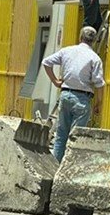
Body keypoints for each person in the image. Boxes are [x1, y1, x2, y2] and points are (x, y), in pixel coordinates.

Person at [42, 26, 105, 162]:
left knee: (61, 135)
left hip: (65, 95)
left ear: (80, 37)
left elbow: (46, 62)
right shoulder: (95, 58)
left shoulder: (67, 51)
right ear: (94, 41)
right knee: (75, 138)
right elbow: (99, 83)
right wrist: (99, 103)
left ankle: (54, 167)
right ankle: (68, 168)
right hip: (82, 99)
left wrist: (54, 81)